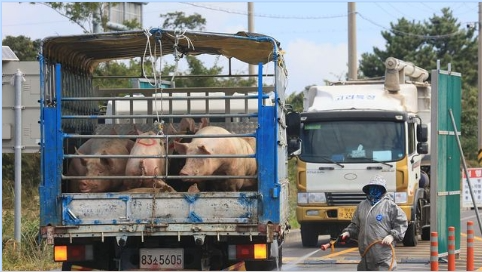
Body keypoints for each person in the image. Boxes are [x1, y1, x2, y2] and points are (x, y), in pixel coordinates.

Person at [340, 174, 408, 271]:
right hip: (365, 254)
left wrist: (392, 236)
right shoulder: (362, 206)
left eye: (378, 188)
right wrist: (348, 232)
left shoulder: (389, 206)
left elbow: (402, 222)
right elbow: (355, 225)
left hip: (383, 255)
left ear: (383, 190)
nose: (374, 191)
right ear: (368, 190)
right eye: (372, 188)